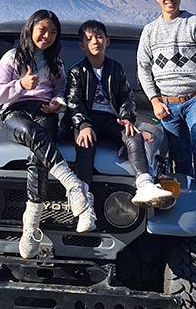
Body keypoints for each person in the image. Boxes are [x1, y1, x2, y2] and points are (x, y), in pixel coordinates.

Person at [0, 9, 94, 259]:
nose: (47, 36)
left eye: (52, 32)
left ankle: (30, 228)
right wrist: (21, 85)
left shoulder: (55, 63)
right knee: (33, 133)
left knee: (39, 157)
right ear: (31, 29)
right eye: (42, 30)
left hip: (44, 112)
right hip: (14, 112)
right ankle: (73, 186)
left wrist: (57, 102)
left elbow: (60, 91)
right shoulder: (12, 58)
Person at [66, 20, 173, 232]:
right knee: (85, 142)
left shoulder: (116, 68)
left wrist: (127, 118)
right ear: (82, 45)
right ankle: (85, 207)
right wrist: (83, 123)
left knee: (133, 136)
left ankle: (144, 185)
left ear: (107, 41)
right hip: (86, 119)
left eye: (99, 37)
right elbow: (73, 101)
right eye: (88, 39)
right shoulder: (77, 71)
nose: (94, 42)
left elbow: (126, 96)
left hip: (111, 118)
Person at [137, 0, 196, 197]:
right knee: (179, 154)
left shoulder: (195, 23)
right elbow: (143, 68)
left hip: (195, 99)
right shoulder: (150, 31)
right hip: (167, 104)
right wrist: (154, 100)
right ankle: (187, 196)